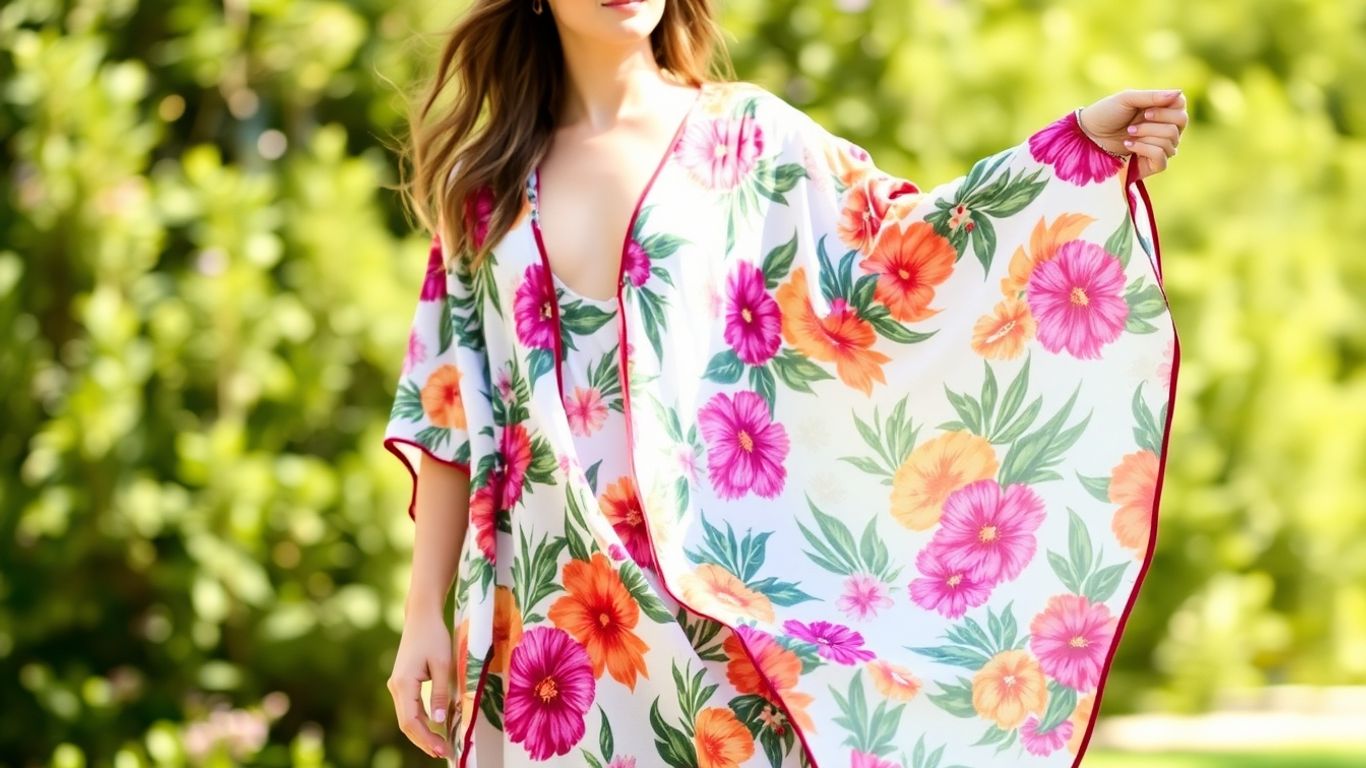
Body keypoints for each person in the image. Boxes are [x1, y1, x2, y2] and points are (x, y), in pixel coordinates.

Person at [383, 1, 1187, 766]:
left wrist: (1075, 146)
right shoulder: (481, 186)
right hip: (546, 632)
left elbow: (905, 256)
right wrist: (422, 615)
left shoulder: (748, 137)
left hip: (719, 617)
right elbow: (451, 409)